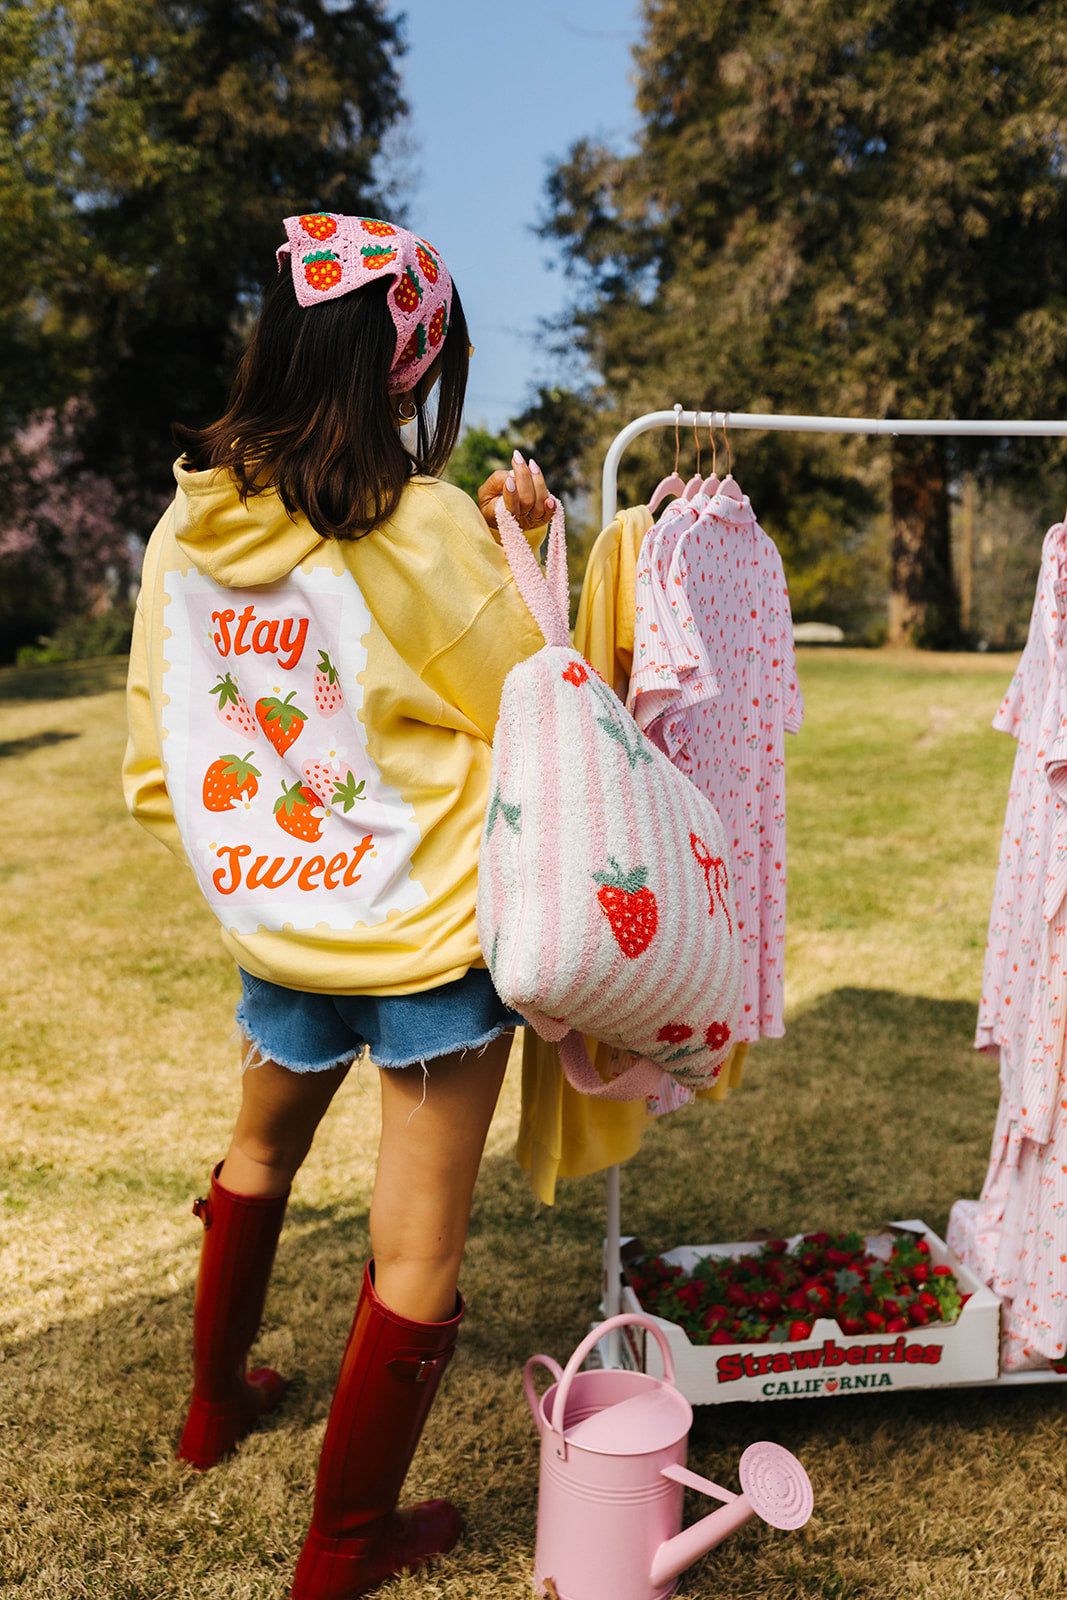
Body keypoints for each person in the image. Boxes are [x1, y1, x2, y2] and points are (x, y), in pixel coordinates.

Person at [123, 213, 555, 1600]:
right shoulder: (421, 526)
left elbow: (154, 759)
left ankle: (212, 1408)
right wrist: (516, 542)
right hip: (426, 938)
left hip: (281, 925)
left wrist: (265, 859)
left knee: (258, 1161)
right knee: (415, 1248)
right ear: (410, 364)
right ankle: (346, 1545)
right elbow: (536, 702)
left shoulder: (183, 532)